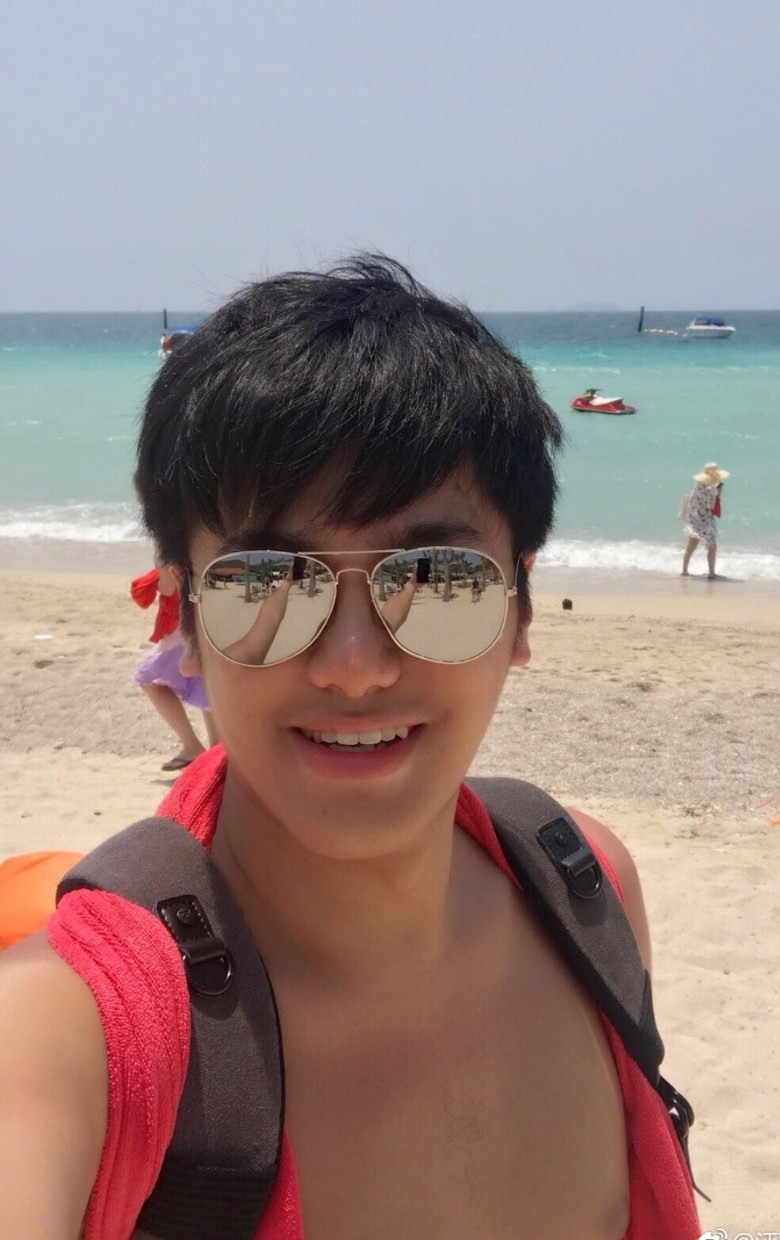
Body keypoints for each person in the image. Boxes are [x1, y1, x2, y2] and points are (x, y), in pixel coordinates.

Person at [0, 257, 700, 1239]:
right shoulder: (67, 1036)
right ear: (186, 621)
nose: (356, 667)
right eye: (267, 581)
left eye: (439, 577)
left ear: (521, 608)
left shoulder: (586, 889)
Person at [131, 555, 220, 768]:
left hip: (183, 630)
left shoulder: (170, 547)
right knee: (204, 687)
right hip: (207, 620)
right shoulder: (199, 540)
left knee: (150, 679)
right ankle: (213, 753)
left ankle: (195, 747)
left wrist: (159, 566)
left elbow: (168, 587)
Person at [681, 462, 730, 579]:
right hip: (705, 519)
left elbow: (692, 502)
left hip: (693, 517)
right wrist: (718, 492)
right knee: (712, 546)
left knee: (691, 545)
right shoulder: (712, 490)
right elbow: (712, 506)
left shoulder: (697, 485)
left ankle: (684, 570)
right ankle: (711, 573)